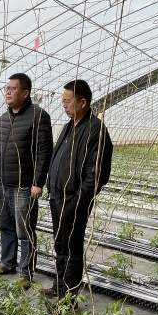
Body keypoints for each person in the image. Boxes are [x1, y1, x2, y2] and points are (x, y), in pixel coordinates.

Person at [43, 79, 113, 301]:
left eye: (68, 101)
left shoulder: (95, 130)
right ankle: (59, 285)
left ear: (83, 102)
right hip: (57, 197)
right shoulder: (69, 126)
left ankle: (68, 299)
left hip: (73, 200)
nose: (64, 105)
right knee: (60, 246)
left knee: (71, 250)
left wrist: (78, 202)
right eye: (63, 101)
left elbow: (96, 175)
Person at [0, 73, 53, 288]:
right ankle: (7, 262)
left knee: (24, 230)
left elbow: (44, 151)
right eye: (7, 88)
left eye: (13, 88)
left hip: (24, 185)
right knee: (5, 225)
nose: (8, 92)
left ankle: (26, 272)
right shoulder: (4, 118)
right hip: (2, 182)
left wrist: (38, 182)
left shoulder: (39, 116)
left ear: (25, 93)